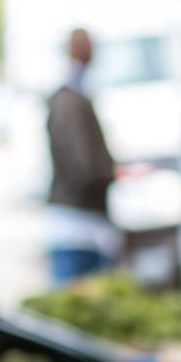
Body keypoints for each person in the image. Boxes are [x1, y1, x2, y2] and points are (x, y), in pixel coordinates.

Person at [45, 28, 120, 285]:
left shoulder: (74, 92)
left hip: (79, 212)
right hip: (78, 213)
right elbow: (82, 163)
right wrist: (109, 173)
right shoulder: (70, 98)